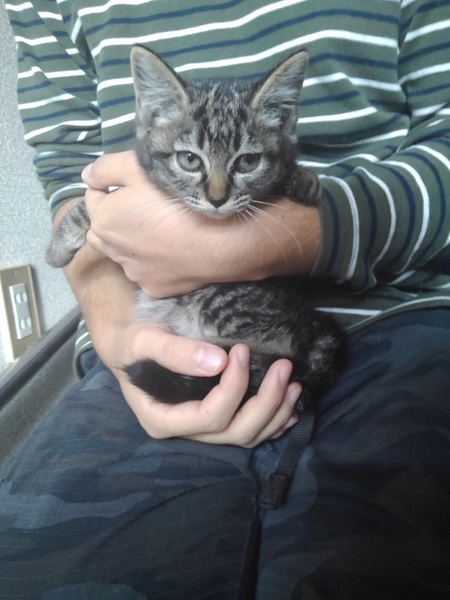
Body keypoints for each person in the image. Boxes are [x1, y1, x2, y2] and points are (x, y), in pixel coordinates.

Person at [2, 1, 450, 598]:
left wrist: (292, 230)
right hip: (151, 333)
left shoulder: (271, 162)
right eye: (192, 161)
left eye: (241, 164)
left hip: (392, 316)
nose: (216, 193)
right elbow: (72, 175)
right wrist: (117, 337)